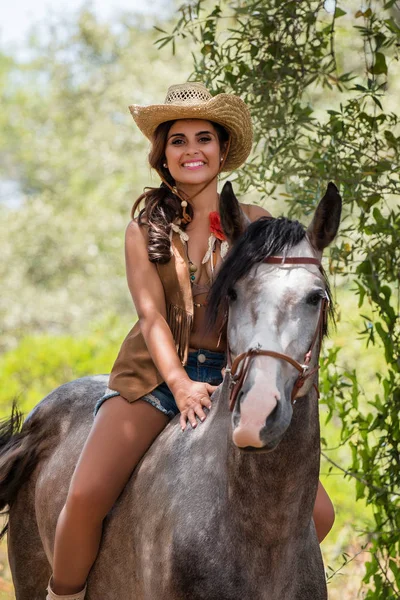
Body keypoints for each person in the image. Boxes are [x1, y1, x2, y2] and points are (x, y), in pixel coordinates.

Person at [46, 82, 335, 600]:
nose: (192, 150)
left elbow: (279, 300)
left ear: (223, 151)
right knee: (86, 496)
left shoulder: (256, 224)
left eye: (204, 138)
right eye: (177, 140)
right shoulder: (143, 229)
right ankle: (61, 595)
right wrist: (179, 384)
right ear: (163, 156)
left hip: (234, 378)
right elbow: (151, 316)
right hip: (156, 377)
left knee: (320, 513)